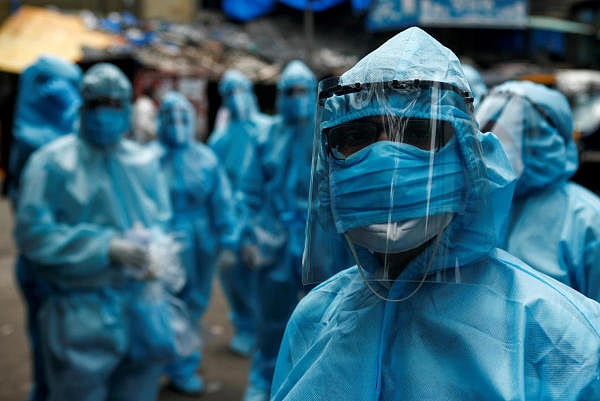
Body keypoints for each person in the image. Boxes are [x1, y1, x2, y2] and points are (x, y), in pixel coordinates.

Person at [270, 27, 600, 400]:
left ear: (470, 160)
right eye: (355, 137)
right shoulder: (314, 319)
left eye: (416, 134)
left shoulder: (563, 341)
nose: (383, 161)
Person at [14, 62, 174, 401]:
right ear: (82, 106)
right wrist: (104, 247)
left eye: (114, 104)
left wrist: (161, 255)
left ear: (128, 108)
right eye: (96, 103)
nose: (104, 114)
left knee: (138, 389)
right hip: (79, 310)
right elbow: (33, 234)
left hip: (140, 303)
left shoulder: (143, 162)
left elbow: (163, 220)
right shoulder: (52, 162)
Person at [239, 60, 353, 401]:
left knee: (323, 315)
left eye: (303, 90)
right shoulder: (265, 137)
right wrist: (247, 234)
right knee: (272, 317)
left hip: (320, 240)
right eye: (289, 91)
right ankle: (264, 377)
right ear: (278, 95)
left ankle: (314, 381)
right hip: (273, 240)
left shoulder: (329, 133)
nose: (296, 98)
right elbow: (249, 191)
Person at [476, 80, 600, 301]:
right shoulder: (473, 205)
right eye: (489, 130)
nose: (502, 143)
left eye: (524, 131)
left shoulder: (587, 220)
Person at [152, 91, 240, 395]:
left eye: (182, 117)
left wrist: (228, 236)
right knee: (158, 304)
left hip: (201, 240)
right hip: (161, 241)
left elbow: (222, 200)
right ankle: (158, 363)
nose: (176, 124)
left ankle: (183, 364)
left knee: (193, 304)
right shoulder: (147, 158)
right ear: (159, 120)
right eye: (169, 117)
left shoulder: (204, 157)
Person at [7, 54, 83, 401]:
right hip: (46, 260)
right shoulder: (33, 145)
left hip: (78, 262)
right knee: (48, 337)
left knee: (74, 344)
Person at [208, 69, 273, 357]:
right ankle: (246, 328)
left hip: (267, 218)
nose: (236, 99)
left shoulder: (268, 129)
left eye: (240, 90)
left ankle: (269, 329)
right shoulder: (220, 140)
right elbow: (213, 182)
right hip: (233, 220)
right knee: (235, 279)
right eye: (229, 93)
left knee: (271, 280)